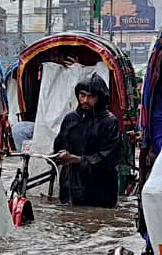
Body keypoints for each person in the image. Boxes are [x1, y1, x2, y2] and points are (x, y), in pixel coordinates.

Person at [51, 72, 122, 207]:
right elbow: (60, 145)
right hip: (71, 185)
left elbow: (109, 157)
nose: (85, 100)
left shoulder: (109, 122)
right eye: (82, 95)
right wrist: (57, 156)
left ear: (100, 98)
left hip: (100, 188)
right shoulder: (70, 119)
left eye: (91, 97)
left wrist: (76, 159)